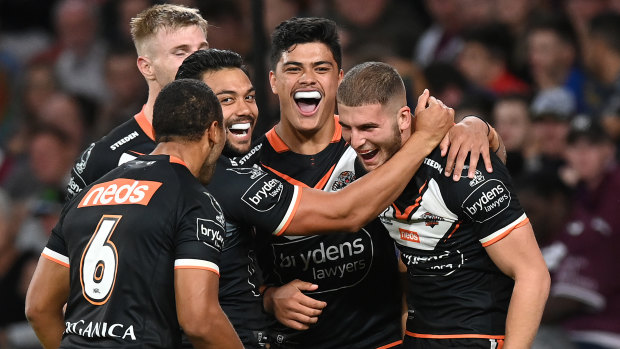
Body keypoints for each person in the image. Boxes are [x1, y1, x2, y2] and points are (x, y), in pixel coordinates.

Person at [175, 48, 454, 348]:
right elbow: (346, 213)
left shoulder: (148, 175)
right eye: (227, 100)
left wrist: (479, 130)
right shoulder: (227, 179)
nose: (244, 110)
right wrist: (425, 138)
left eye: (249, 97)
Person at [254, 17, 501, 348]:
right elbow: (230, 272)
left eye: (321, 68)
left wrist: (478, 127)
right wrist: (267, 298)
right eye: (294, 68)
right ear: (273, 80)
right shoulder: (249, 167)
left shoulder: (378, 138)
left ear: (340, 79)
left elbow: (479, 161)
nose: (308, 79)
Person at [337, 61, 550, 348]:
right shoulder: (362, 169)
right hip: (417, 336)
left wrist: (481, 128)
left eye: (368, 127)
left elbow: (532, 275)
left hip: (477, 337)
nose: (357, 141)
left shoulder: (461, 163)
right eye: (347, 127)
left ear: (403, 118)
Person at [24, 79, 242, 349]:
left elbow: (38, 307)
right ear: (214, 131)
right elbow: (200, 321)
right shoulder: (194, 201)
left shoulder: (87, 194)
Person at [66, 3, 209, 199]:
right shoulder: (104, 157)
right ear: (147, 67)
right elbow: (75, 228)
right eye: (180, 52)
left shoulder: (234, 139)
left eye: (203, 49)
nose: (199, 60)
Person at [541, 118, 620, 349]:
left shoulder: (615, 187)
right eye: (575, 147)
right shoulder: (578, 195)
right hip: (579, 324)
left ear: (609, 150)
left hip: (609, 326)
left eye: (591, 145)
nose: (582, 154)